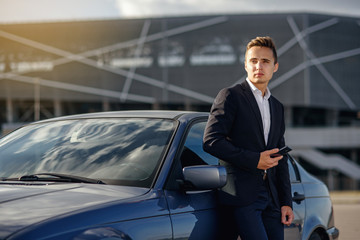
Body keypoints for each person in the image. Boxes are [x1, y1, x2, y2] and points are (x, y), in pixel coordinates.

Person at [203, 36, 294, 240]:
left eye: (265, 61)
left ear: (275, 67)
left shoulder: (277, 106)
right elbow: (211, 141)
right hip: (242, 198)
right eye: (253, 61)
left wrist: (285, 202)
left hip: (272, 199)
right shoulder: (230, 96)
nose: (258, 66)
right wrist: (255, 160)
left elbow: (281, 158)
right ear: (245, 65)